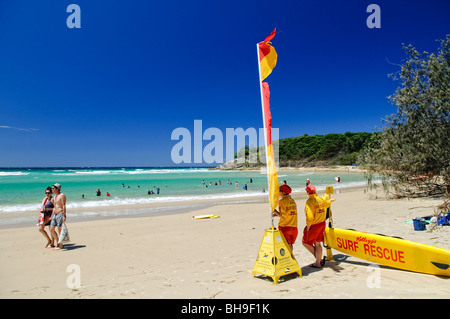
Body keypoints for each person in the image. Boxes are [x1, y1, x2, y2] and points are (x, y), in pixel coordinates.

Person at [302, 184, 335, 268]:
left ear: (307, 192)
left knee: (305, 242)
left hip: (314, 224)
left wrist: (308, 225)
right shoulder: (320, 199)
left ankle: (318, 260)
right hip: (322, 223)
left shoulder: (309, 201)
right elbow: (326, 204)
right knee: (317, 243)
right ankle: (318, 262)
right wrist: (330, 201)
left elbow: (309, 216)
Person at [272, 184, 298, 252]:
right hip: (294, 227)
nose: (278, 193)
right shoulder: (292, 201)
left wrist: (274, 210)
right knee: (290, 245)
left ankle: (289, 260)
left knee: (286, 246)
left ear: (283, 192)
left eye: (279, 191)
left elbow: (283, 216)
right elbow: (288, 213)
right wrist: (277, 214)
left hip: (285, 227)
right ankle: (291, 259)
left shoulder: (282, 201)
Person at [50, 183, 67, 250]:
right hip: (55, 214)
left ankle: (60, 245)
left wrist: (64, 215)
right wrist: (52, 215)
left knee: (59, 229)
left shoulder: (62, 195)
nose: (52, 189)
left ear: (57, 189)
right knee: (51, 229)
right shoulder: (54, 197)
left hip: (60, 213)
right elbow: (54, 207)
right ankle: (58, 242)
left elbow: (63, 205)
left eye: (53, 188)